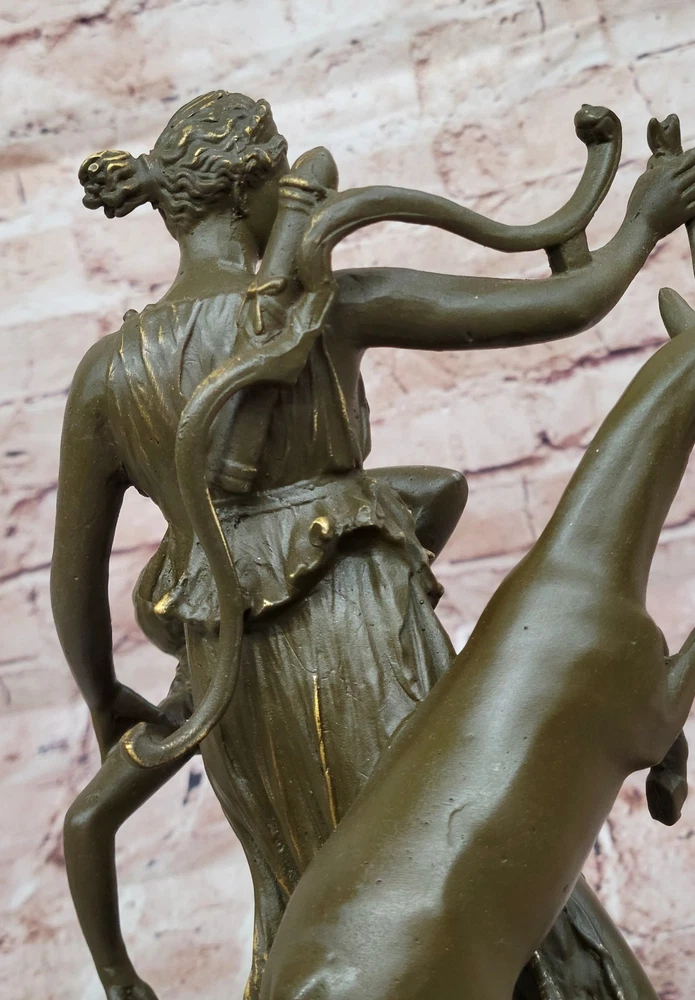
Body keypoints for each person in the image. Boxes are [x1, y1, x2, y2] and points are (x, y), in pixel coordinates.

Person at [51, 90, 695, 1000]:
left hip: (235, 680)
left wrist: (105, 697)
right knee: (466, 843)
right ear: (253, 191)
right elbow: (571, 303)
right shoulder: (325, 306)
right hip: (363, 625)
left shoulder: (107, 375)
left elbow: (72, 589)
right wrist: (644, 221)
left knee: (310, 889)